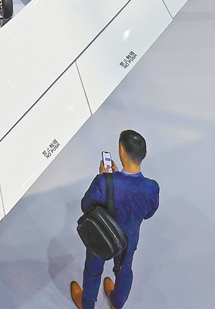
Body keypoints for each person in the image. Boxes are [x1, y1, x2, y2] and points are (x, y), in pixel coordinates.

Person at [70, 130, 159, 309]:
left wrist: (105, 177)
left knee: (93, 269)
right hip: (129, 238)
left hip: (102, 234)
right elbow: (149, 212)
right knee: (124, 270)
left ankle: (87, 304)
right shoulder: (152, 187)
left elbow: (85, 205)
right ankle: (116, 302)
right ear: (145, 154)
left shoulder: (105, 182)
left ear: (121, 151)